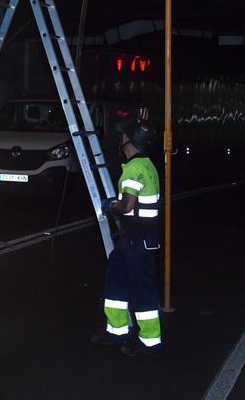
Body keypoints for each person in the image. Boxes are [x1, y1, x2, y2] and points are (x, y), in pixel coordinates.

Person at [92, 119, 163, 356]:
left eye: (124, 136)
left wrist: (110, 205)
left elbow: (127, 205)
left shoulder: (134, 168)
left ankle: (149, 341)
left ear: (131, 140)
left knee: (141, 287)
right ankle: (116, 331)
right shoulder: (148, 165)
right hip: (134, 239)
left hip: (137, 240)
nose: (121, 139)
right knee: (116, 278)